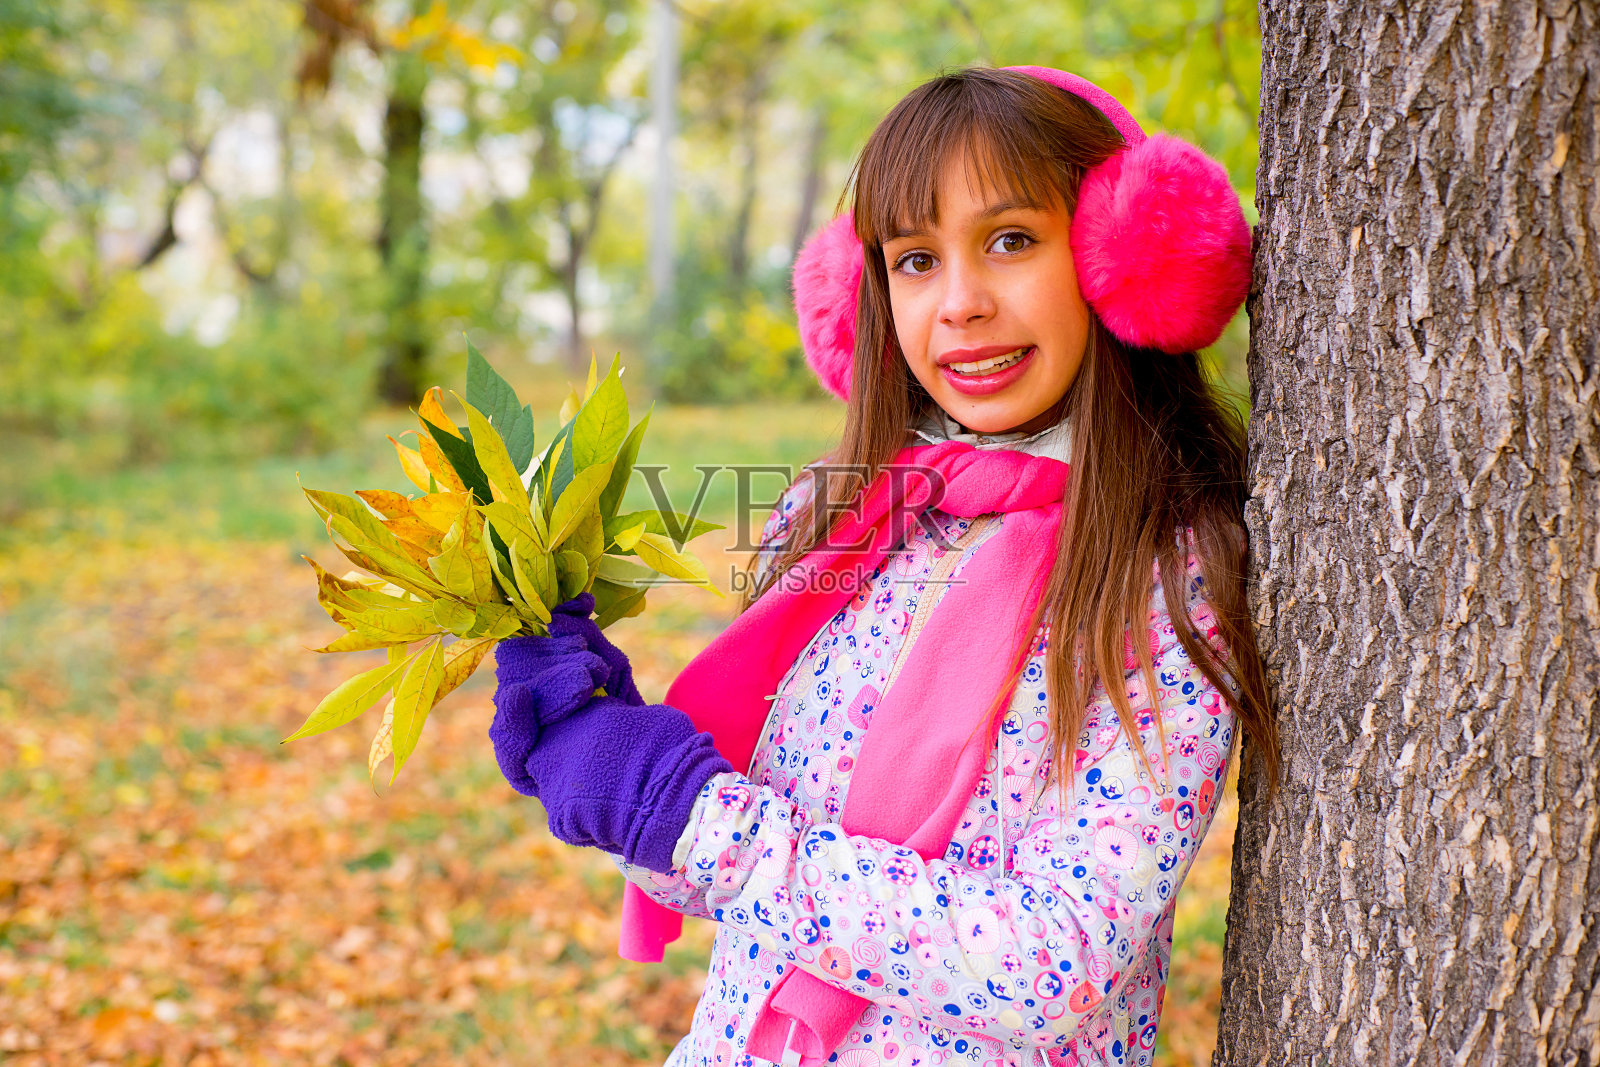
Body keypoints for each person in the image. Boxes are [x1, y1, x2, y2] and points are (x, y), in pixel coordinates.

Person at [487, 65, 1281, 1067]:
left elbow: (1059, 959)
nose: (959, 302)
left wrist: (702, 821)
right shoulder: (842, 517)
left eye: (1009, 240)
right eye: (913, 258)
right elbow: (728, 864)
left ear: (1121, 257)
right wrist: (605, 756)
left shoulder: (1168, 575)